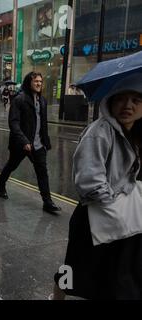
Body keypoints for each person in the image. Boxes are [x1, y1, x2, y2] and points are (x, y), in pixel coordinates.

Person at [52, 74, 142, 300]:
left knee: (116, 275)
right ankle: (57, 296)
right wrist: (115, 211)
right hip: (95, 214)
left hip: (125, 216)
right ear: (110, 100)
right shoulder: (99, 131)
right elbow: (89, 180)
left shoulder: (137, 134)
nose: (128, 106)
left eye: (136, 100)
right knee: (73, 269)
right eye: (121, 99)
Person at [0, 71, 61, 214]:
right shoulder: (20, 99)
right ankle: (0, 184)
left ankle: (47, 202)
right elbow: (13, 122)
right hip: (21, 144)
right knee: (12, 165)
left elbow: (43, 123)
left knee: (42, 172)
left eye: (40, 81)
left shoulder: (42, 101)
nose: (39, 84)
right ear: (28, 82)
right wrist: (24, 140)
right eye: (36, 81)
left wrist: (45, 141)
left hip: (38, 144)